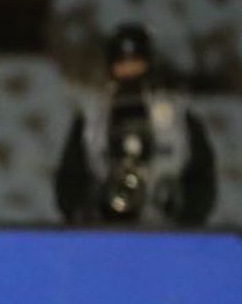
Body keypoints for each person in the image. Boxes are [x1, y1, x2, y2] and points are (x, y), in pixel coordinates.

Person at [55, 23, 217, 226]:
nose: (129, 69)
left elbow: (200, 174)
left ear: (149, 62)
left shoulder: (177, 116)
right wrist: (83, 211)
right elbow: (70, 178)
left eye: (135, 61)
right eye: (122, 62)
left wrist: (188, 218)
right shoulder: (92, 118)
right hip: (104, 226)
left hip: (166, 227)